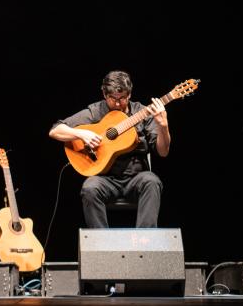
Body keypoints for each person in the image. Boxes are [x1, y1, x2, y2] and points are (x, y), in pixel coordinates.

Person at [49, 70, 171, 228]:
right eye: (113, 98)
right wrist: (80, 134)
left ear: (130, 94)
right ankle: (101, 245)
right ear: (104, 94)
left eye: (123, 98)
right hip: (106, 180)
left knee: (152, 181)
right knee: (89, 187)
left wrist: (163, 126)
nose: (118, 103)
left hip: (136, 178)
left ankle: (144, 243)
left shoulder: (142, 112)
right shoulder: (96, 111)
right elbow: (55, 130)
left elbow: (163, 151)